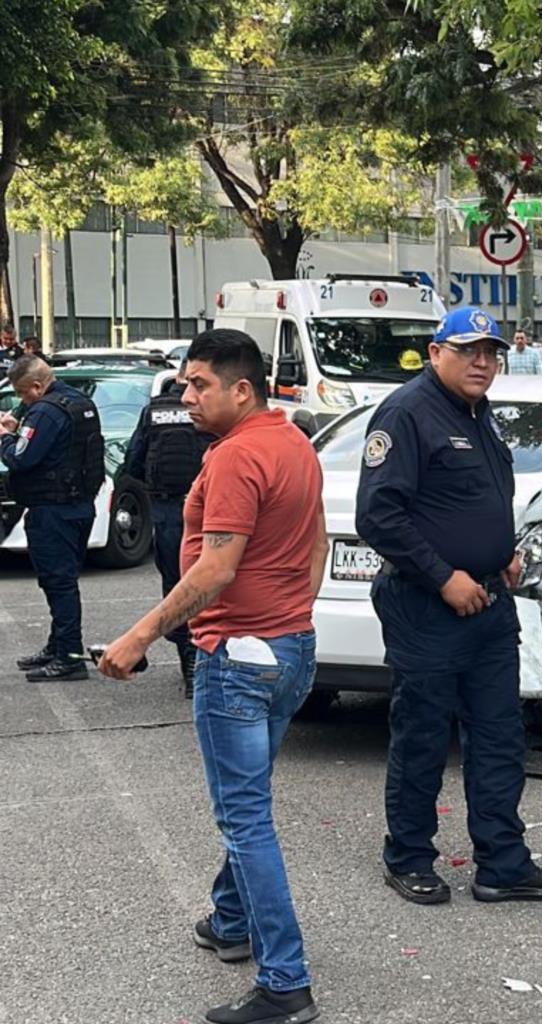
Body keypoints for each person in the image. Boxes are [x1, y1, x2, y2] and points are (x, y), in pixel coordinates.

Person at [99, 329, 326, 1024]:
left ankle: (285, 983)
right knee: (248, 802)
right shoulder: (293, 442)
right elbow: (316, 542)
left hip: (237, 659)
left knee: (245, 819)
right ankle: (232, 921)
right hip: (288, 649)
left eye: (199, 385)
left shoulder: (236, 457)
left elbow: (216, 567)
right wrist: (292, 615)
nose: (185, 396)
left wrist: (139, 636)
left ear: (241, 389)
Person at [356, 305, 542, 908]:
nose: (482, 362)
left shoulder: (480, 415)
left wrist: (499, 555)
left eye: (491, 352)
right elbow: (378, 516)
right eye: (467, 350)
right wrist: (443, 575)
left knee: (500, 737)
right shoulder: (407, 413)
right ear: (435, 353)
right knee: (424, 736)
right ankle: (408, 856)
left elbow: (471, 501)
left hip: (488, 598)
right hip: (426, 604)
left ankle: (503, 863)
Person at [0, 356, 104, 681]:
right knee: (63, 580)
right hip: (79, 505)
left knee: (58, 584)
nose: (21, 400)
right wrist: (21, 431)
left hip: (52, 509)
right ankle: (58, 645)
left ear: (36, 385)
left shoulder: (44, 411)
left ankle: (70, 656)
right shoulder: (80, 403)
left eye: (22, 393)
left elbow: (21, 458)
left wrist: (4, 436)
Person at [123, 361, 214, 697]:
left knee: (177, 584)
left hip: (167, 509)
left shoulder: (155, 412)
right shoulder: (214, 412)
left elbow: (134, 460)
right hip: (209, 506)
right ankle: (205, 661)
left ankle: (189, 663)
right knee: (212, 579)